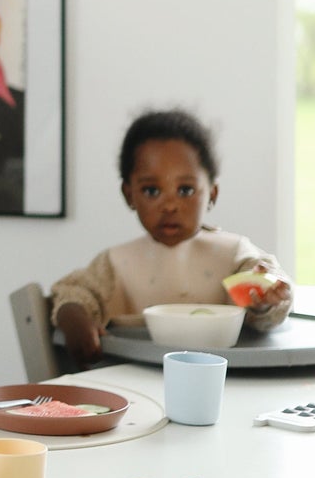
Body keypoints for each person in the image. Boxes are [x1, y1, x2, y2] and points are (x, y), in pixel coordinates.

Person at [51, 108, 293, 365]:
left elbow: (268, 285)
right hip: (132, 380)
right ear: (129, 194)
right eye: (152, 190)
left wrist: (264, 300)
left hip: (225, 383)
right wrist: (74, 318)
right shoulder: (116, 262)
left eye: (186, 190)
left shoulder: (234, 254)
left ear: (212, 192)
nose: (169, 205)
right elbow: (74, 292)